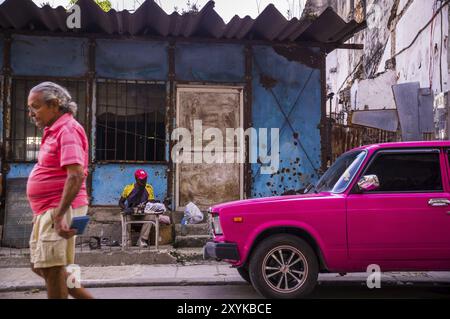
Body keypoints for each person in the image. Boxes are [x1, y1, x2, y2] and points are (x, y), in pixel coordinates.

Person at [26, 82, 93, 299]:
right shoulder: (54, 130)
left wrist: (59, 215)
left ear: (54, 104)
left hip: (60, 207)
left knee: (53, 270)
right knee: (41, 266)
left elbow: (76, 174)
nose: (31, 114)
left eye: (35, 107)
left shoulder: (67, 129)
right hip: (49, 208)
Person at [119, 169, 157, 248]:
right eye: (141, 180)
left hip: (143, 214)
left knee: (152, 216)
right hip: (132, 213)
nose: (143, 181)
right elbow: (121, 202)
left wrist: (146, 206)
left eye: (145, 179)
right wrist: (126, 209)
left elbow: (151, 202)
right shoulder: (128, 188)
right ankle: (127, 240)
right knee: (124, 216)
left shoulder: (149, 188)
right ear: (136, 179)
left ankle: (142, 240)